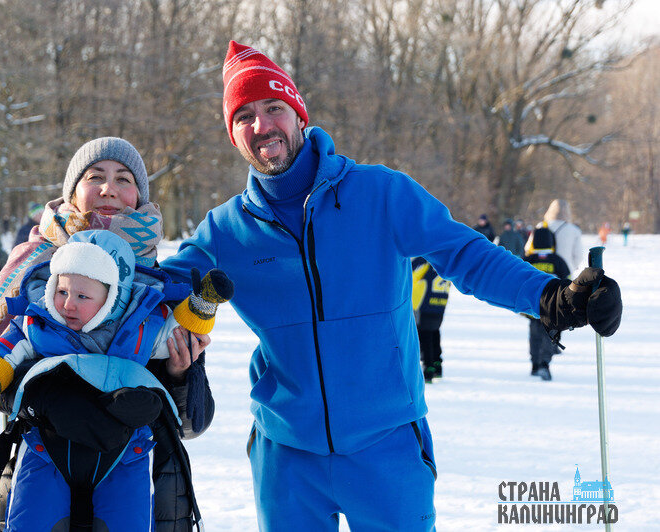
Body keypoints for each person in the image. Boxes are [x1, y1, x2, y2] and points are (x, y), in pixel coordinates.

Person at [158, 40, 623, 530]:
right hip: (286, 459)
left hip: (388, 450)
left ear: (298, 113)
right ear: (233, 135)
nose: (261, 126)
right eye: (244, 116)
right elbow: (154, 289)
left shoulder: (380, 193)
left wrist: (550, 297)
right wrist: (105, 251)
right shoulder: (226, 230)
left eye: (273, 107)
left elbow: (465, 254)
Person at [0, 137, 213, 531]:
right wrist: (45, 393)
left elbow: (193, 422)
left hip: (129, 472)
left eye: (123, 179)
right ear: (71, 192)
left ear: (139, 196)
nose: (109, 189)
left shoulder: (162, 287)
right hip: (40, 468)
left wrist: (178, 374)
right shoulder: (28, 272)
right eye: (95, 177)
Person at [0, 230, 228, 530]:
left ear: (113, 299)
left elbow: (176, 333)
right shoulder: (38, 322)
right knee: (34, 519)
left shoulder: (138, 326)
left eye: (82, 296)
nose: (68, 305)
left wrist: (202, 307)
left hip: (126, 452)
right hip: (46, 447)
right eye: (62, 291)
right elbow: (3, 353)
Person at [524, 228, 570, 381]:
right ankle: (544, 363)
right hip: (552, 308)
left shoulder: (528, 260)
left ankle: (534, 364)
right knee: (549, 335)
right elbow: (568, 283)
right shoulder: (558, 261)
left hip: (532, 305)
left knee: (534, 335)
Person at [412, 258, 450, 383]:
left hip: (424, 304)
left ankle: (428, 369)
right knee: (434, 332)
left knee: (424, 335)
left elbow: (411, 276)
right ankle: (437, 365)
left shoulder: (423, 260)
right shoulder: (444, 260)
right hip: (440, 304)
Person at [525, 199, 584, 274]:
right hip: (565, 272)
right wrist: (570, 267)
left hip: (541, 270)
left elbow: (528, 248)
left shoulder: (541, 226)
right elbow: (579, 256)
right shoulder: (574, 230)